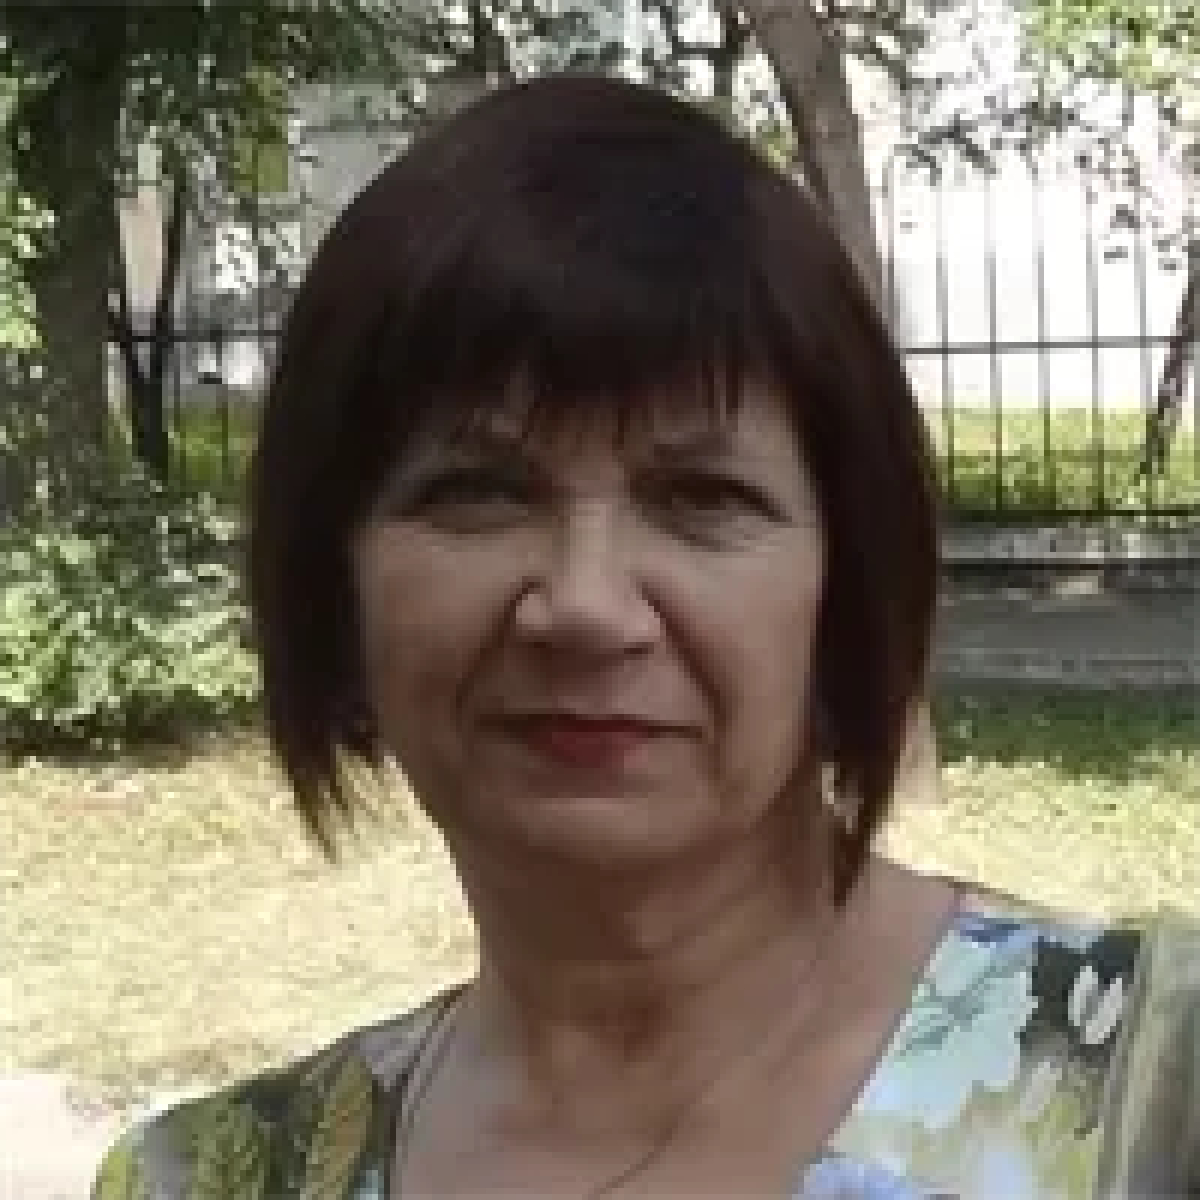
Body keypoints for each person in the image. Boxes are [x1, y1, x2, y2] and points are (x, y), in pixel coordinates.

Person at [92, 73, 1198, 1199]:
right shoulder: (208, 1179)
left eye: (703, 498)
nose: (584, 607)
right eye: (478, 492)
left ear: (845, 591)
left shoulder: (1152, 1098)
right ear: (334, 585)